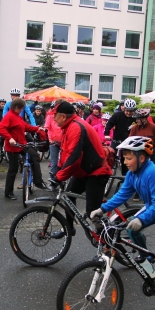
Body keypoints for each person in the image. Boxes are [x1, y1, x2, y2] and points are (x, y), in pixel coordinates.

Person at [89, 136, 155, 310]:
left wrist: (141, 220)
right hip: (154, 208)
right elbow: (122, 195)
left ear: (141, 158)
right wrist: (102, 209)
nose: (125, 162)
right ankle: (146, 258)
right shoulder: (132, 174)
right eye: (124, 158)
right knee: (129, 228)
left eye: (128, 158)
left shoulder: (153, 173)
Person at [49, 101, 112, 238]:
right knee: (69, 196)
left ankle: (107, 243)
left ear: (63, 116)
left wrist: (59, 177)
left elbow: (74, 157)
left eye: (55, 116)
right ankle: (69, 228)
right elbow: (65, 153)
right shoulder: (69, 126)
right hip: (85, 170)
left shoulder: (76, 127)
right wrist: (58, 170)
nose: (53, 119)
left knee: (93, 212)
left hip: (97, 172)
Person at [0, 98, 48, 200]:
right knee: (13, 169)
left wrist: (37, 129)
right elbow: (0, 128)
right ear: (16, 108)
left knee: (34, 156)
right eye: (21, 109)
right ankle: (8, 192)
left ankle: (38, 181)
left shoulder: (17, 116)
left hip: (22, 144)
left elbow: (25, 126)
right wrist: (10, 138)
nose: (22, 111)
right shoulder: (9, 116)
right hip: (13, 146)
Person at [104, 98, 136, 175]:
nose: (128, 113)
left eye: (131, 111)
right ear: (124, 108)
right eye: (127, 110)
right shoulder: (117, 115)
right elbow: (109, 124)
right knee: (110, 156)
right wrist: (107, 134)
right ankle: (106, 172)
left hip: (129, 142)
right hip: (117, 139)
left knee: (126, 160)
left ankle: (125, 177)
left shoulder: (136, 118)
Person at [45, 102, 64, 171]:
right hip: (53, 141)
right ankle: (53, 179)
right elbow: (48, 128)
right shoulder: (50, 117)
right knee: (54, 162)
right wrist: (50, 139)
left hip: (63, 141)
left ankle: (61, 178)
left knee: (63, 162)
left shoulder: (63, 116)